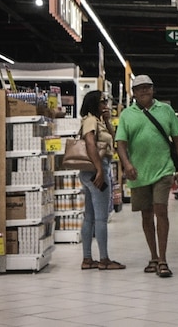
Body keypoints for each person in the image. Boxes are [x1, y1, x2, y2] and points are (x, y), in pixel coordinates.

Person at [115, 74, 178, 278]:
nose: (144, 91)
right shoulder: (126, 115)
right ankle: (154, 257)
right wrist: (127, 164)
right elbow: (120, 144)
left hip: (163, 169)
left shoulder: (165, 111)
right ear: (134, 93)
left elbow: (177, 141)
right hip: (138, 173)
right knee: (146, 214)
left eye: (148, 87)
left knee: (161, 210)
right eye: (140, 88)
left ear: (153, 89)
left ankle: (163, 260)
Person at [78, 90, 124, 270]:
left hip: (89, 171)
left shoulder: (98, 121)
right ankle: (104, 259)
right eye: (102, 102)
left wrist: (107, 121)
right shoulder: (90, 120)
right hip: (97, 170)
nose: (106, 105)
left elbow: (113, 139)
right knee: (101, 218)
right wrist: (99, 170)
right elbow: (90, 143)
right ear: (93, 103)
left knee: (89, 216)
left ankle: (87, 259)